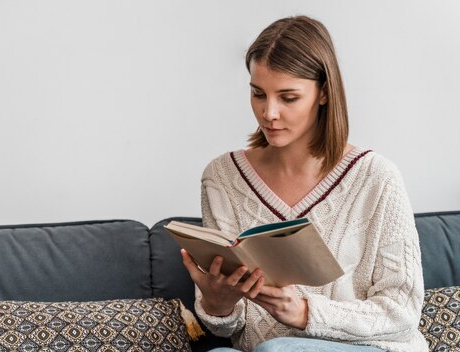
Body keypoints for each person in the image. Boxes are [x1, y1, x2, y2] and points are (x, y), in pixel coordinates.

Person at [180, 15, 427, 352]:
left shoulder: (377, 178)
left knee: (280, 349)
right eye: (258, 94)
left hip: (371, 349)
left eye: (288, 97)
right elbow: (228, 325)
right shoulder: (222, 177)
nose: (269, 113)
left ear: (323, 93)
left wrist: (306, 312)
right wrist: (217, 303)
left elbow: (403, 313)